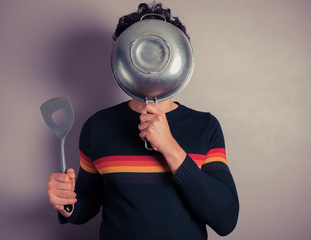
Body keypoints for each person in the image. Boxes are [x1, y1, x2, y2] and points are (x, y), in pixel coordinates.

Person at [46, 2, 239, 239]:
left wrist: (169, 147)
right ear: (123, 57)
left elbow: (226, 219)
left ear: (180, 56)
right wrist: (67, 204)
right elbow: (89, 204)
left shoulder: (205, 127)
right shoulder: (97, 127)